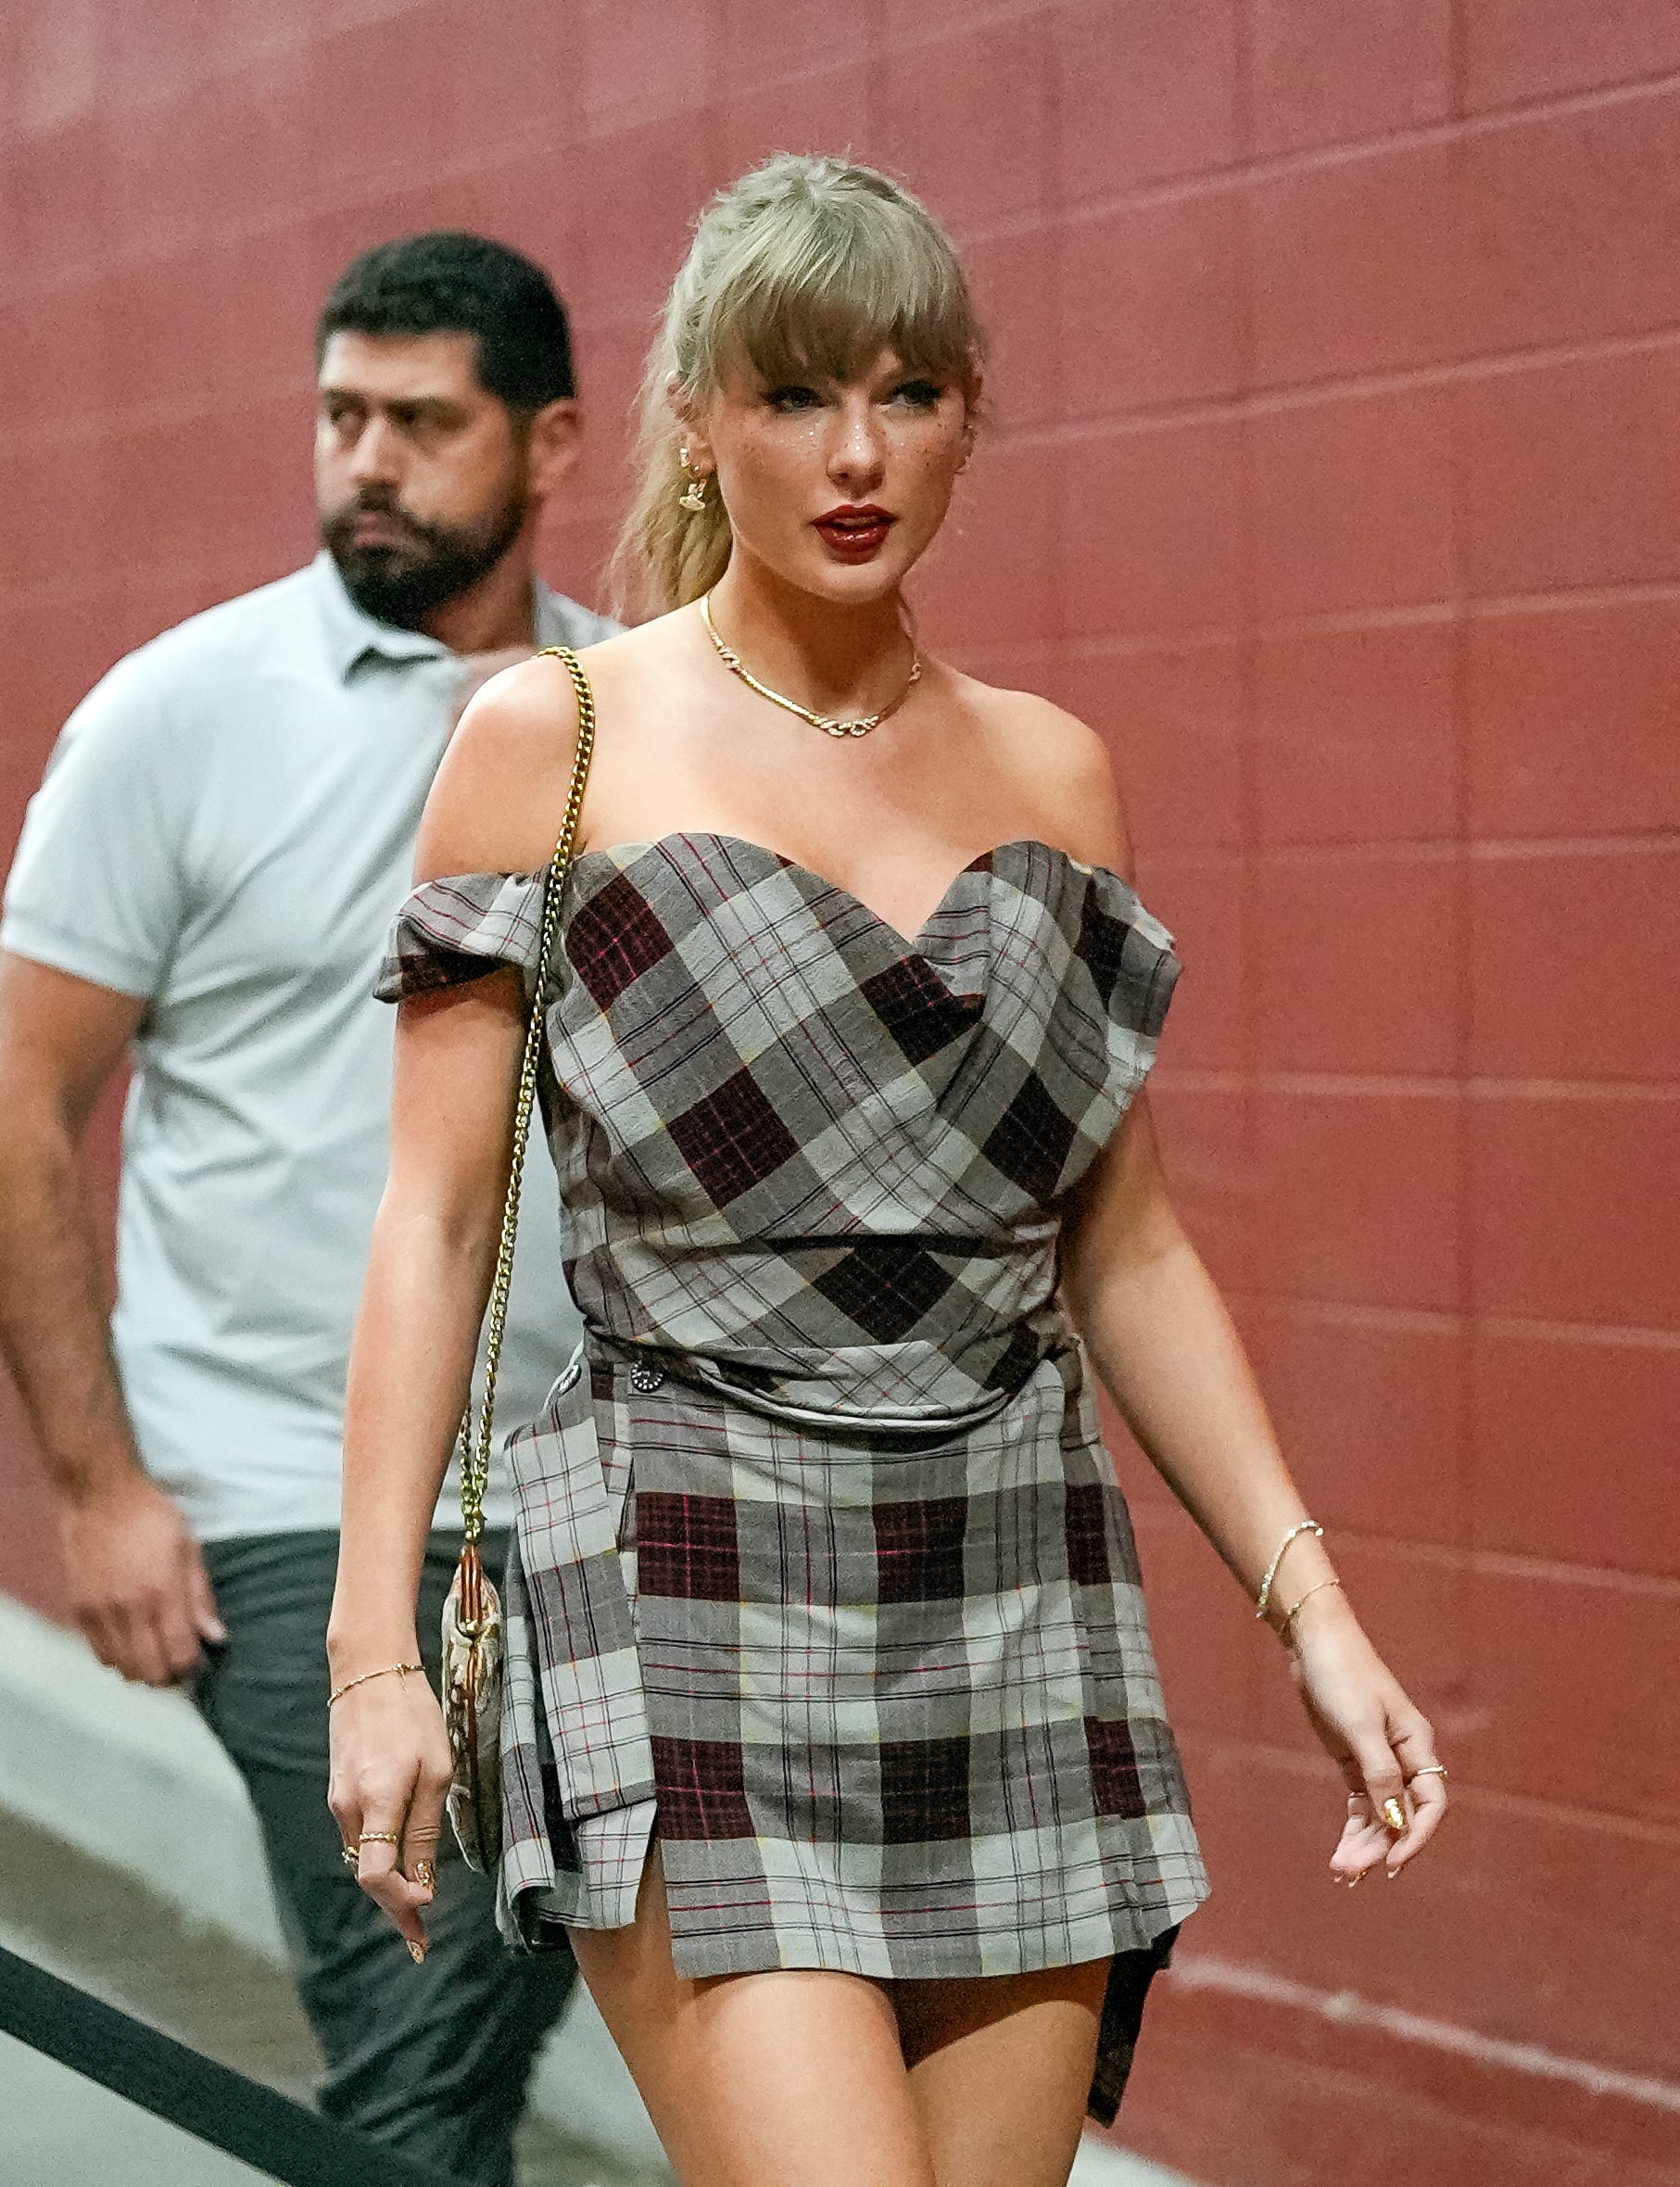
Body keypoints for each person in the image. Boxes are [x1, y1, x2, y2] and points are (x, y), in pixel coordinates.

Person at [328, 158, 1448, 2187]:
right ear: (697, 417)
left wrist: (1315, 1610)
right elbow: (437, 1219)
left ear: (962, 420)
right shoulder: (557, 732)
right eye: (792, 396)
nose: (857, 455)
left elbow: (1122, 1246)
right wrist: (372, 1653)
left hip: (1013, 1573)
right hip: (676, 1560)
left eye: (909, 394)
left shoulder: (1052, 770)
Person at [0, 232, 618, 2185]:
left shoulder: (642, 720)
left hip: (590, 1488)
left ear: (550, 447)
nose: (368, 460)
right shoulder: (181, 712)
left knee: (490, 2002)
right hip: (271, 1485)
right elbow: (20, 1092)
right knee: (419, 2014)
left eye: (424, 425)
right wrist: (99, 1484)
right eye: (342, 415)